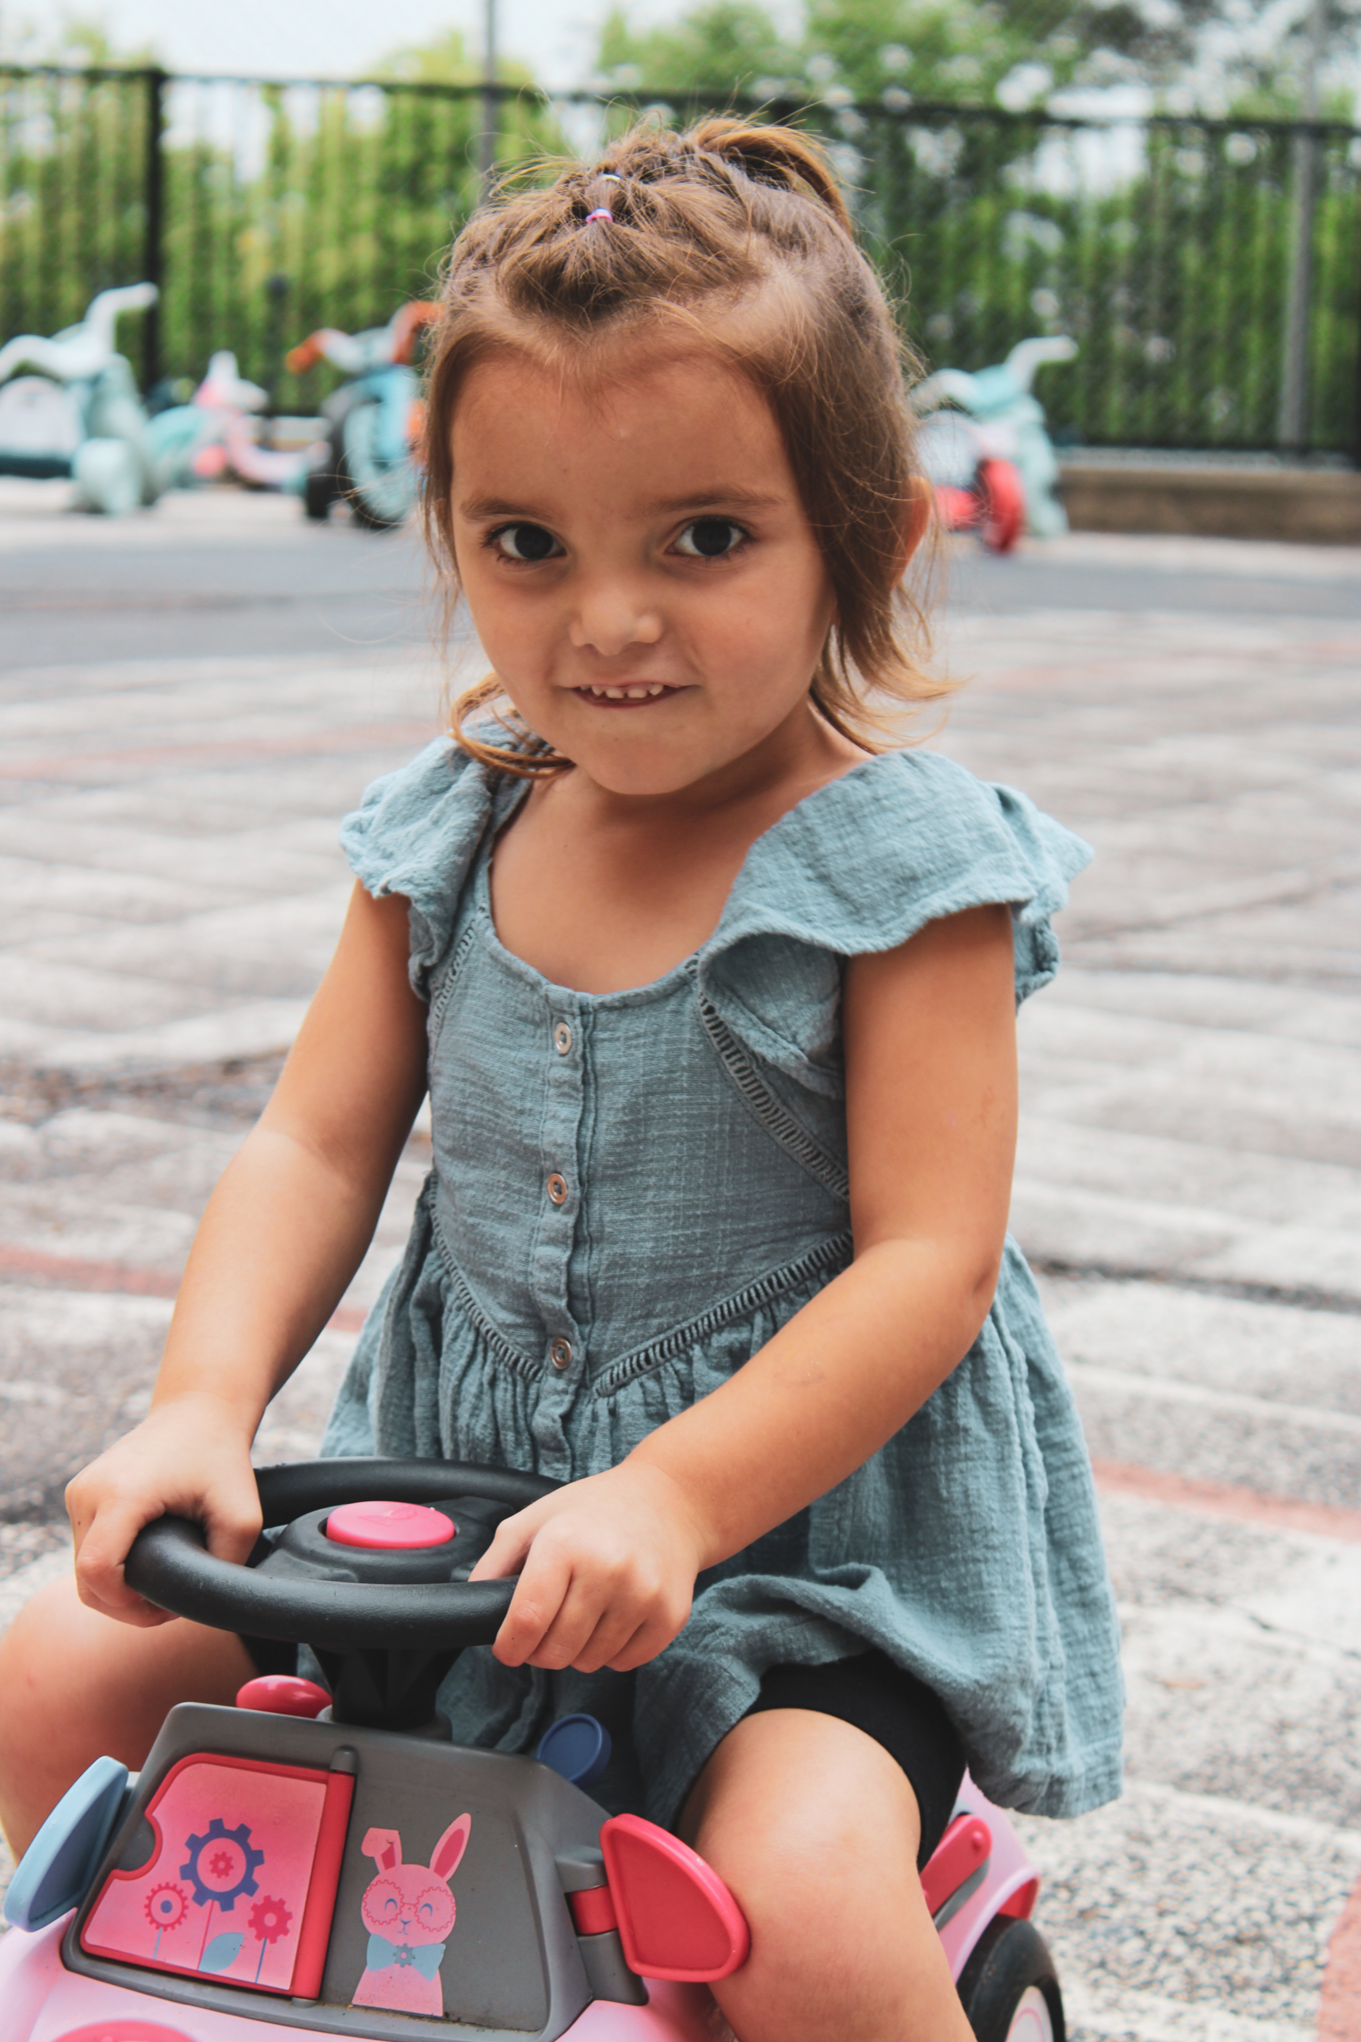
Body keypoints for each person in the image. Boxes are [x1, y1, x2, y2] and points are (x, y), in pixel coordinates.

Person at [0, 119, 1121, 2042]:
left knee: (803, 1904)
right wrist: (201, 1402)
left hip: (791, 1565)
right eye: (529, 544)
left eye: (704, 537)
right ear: (448, 528)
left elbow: (927, 1266)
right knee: (49, 1672)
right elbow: (314, 1138)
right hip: (449, 1516)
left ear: (867, 532)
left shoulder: (906, 874)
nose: (606, 620)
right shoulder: (451, 833)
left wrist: (675, 1497)